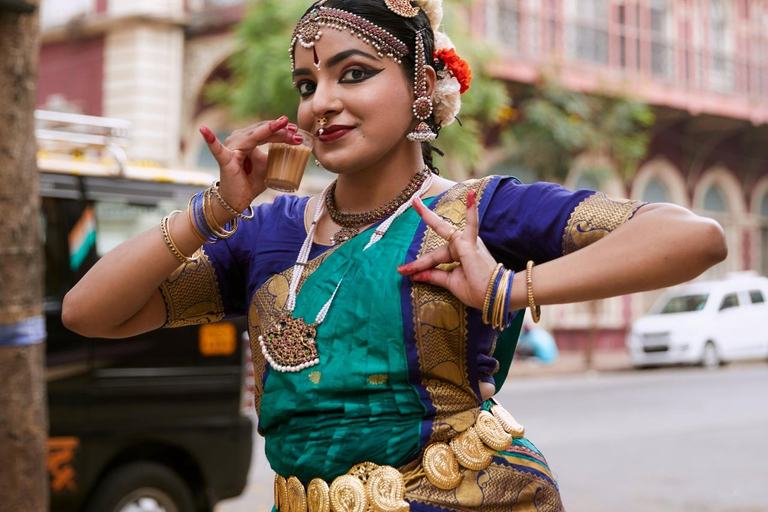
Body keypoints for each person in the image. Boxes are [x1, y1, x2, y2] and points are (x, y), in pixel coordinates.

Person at [62, 0, 727, 509]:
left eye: (353, 74)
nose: (323, 102)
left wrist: (508, 291)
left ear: (421, 81)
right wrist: (214, 209)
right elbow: (88, 312)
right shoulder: (268, 235)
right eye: (305, 84)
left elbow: (694, 236)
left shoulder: (477, 212)